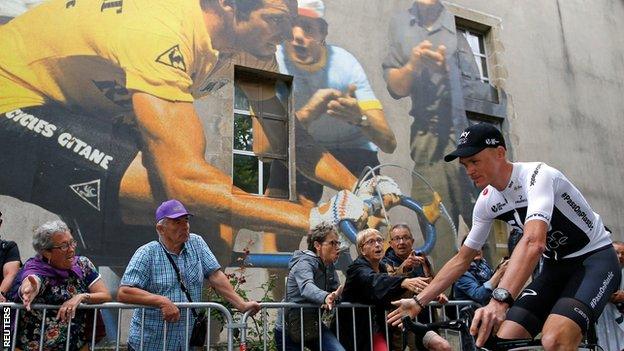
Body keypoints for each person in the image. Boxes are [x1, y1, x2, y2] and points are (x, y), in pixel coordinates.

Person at [0, 0, 364, 267]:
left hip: (74, 108)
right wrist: (316, 217)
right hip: (13, 98)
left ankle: (199, 331)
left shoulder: (250, 47)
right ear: (226, 5)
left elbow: (288, 136)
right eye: (276, 20)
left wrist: (360, 190)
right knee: (198, 204)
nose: (287, 34)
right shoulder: (161, 28)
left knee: (212, 226)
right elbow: (184, 182)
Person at [387, 123, 621, 350]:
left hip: (593, 261)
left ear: (500, 153)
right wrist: (419, 302)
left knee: (554, 340)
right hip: (555, 268)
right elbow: (462, 259)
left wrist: (499, 301)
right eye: (465, 165)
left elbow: (533, 242)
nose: (469, 171)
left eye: (474, 161)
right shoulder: (487, 200)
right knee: (503, 341)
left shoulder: (538, 176)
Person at [382, 0, 481, 267]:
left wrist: (447, 71)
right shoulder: (401, 23)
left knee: (485, 233)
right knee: (438, 242)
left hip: (467, 143)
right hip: (427, 147)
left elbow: (477, 92)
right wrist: (414, 64)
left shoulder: (456, 26)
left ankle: (495, 299)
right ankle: (445, 306)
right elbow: (395, 85)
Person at [117, 199, 261, 351]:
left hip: (186, 342)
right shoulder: (147, 253)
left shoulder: (196, 243)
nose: (184, 226)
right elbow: (124, 292)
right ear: (161, 229)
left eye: (186, 221)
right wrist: (161, 301)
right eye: (176, 222)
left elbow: (215, 275)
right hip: (151, 343)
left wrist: (241, 304)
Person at [10, 220, 112, 351]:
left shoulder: (83, 264)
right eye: (64, 246)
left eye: (72, 242)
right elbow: (32, 281)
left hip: (77, 345)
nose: (71, 249)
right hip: (35, 346)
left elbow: (105, 295)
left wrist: (80, 297)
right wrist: (30, 289)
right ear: (47, 252)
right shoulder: (36, 269)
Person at [337, 228, 427, 351]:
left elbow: (388, 290)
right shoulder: (357, 269)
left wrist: (431, 294)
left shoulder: (382, 267)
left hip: (374, 329)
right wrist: (403, 281)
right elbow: (374, 281)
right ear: (362, 250)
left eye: (379, 240)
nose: (378, 245)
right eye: (371, 242)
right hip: (352, 330)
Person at [273, 222, 344, 351]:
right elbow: (306, 287)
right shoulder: (304, 262)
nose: (337, 247)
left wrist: (335, 297)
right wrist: (325, 297)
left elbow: (336, 291)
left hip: (312, 325)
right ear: (317, 245)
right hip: (288, 329)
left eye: (337, 243)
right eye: (332, 243)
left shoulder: (328, 265)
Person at [382, 223, 450, 351]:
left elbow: (433, 282)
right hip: (403, 321)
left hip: (427, 316)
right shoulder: (385, 262)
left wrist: (439, 294)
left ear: (412, 241)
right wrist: (405, 267)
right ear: (391, 243)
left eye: (405, 237)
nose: (401, 242)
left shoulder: (422, 259)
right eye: (397, 238)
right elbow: (389, 285)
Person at [452, 236, 509, 306]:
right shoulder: (461, 273)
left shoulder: (482, 264)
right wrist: (499, 273)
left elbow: (494, 283)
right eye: (474, 247)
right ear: (465, 251)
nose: (478, 250)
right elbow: (479, 295)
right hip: (471, 314)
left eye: (480, 246)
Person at [596, 240, 624, 351]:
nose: (620, 256)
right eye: (617, 252)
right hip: (604, 317)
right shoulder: (598, 270)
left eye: (623, 253)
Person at [0, 210, 21, 302]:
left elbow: (11, 274)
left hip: (4, 302)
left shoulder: (9, 247)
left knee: (7, 315)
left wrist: (0, 293)